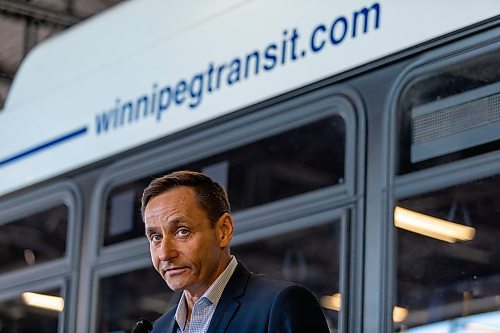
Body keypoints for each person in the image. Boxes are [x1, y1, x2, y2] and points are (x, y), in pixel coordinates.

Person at [141, 170, 329, 333]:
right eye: (156, 237)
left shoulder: (281, 306)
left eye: (182, 231)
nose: (165, 254)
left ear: (224, 230)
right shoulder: (156, 329)